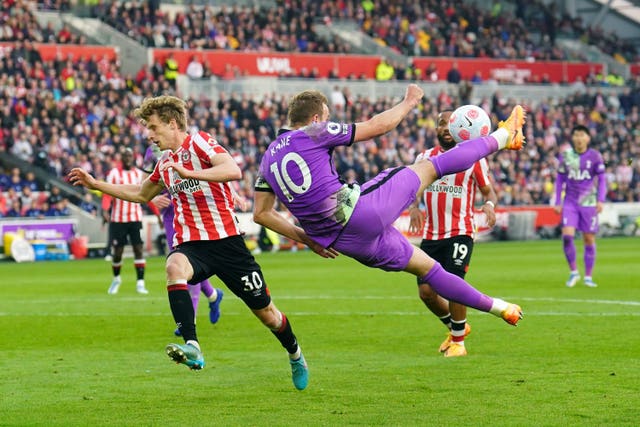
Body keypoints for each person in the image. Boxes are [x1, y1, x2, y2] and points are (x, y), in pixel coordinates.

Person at [253, 85, 525, 348]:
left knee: (428, 269)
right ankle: (504, 136)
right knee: (430, 167)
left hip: (344, 243)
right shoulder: (313, 132)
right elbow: (377, 126)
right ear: (315, 119)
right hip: (360, 213)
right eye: (326, 117)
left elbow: (262, 214)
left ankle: (501, 308)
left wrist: (307, 240)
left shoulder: (266, 161)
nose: (327, 121)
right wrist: (409, 101)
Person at [69, 95, 311, 391]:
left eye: (154, 127)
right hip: (193, 245)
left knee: (269, 316)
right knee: (173, 266)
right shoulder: (166, 162)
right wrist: (97, 185)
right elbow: (142, 193)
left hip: (228, 244)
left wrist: (191, 173)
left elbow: (232, 170)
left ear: (173, 124)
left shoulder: (200, 143)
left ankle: (295, 354)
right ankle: (193, 346)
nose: (149, 135)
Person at [408, 110, 498, 358]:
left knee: (453, 284)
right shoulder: (424, 157)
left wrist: (489, 206)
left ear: (460, 128)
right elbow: (413, 186)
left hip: (461, 232)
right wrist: (415, 207)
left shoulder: (474, 160)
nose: (445, 128)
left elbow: (489, 192)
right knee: (426, 292)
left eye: (450, 123)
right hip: (432, 234)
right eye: (440, 124)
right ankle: (457, 327)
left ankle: (459, 343)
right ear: (435, 129)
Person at [141, 145, 224, 336]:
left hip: (194, 208)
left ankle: (190, 318)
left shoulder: (192, 145)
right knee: (182, 263)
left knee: (187, 261)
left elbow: (215, 171)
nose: (151, 133)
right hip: (171, 213)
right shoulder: (152, 152)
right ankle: (213, 295)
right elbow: (142, 184)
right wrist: (151, 200)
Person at [553, 125, 606, 288]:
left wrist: (600, 199)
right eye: (576, 135)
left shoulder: (595, 156)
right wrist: (557, 201)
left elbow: (602, 179)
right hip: (570, 202)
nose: (578, 138)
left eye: (582, 135)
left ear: (587, 138)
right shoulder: (566, 156)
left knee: (588, 238)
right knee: (567, 236)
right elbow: (560, 179)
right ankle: (574, 272)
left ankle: (588, 276)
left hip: (588, 202)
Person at [101, 148, 151, 295]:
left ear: (133, 157)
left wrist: (158, 215)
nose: (128, 158)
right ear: (121, 158)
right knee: (117, 252)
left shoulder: (138, 174)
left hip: (135, 217)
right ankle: (116, 279)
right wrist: (105, 210)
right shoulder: (114, 174)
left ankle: (140, 283)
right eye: (125, 156)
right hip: (118, 219)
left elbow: (147, 194)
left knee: (138, 249)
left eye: (130, 155)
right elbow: (108, 193)